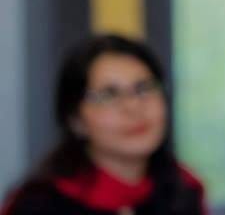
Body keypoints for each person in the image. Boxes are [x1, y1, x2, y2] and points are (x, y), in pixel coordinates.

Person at [1, 35, 207, 215]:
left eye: (144, 88)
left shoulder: (184, 190)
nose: (133, 107)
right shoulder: (37, 204)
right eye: (109, 95)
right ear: (76, 119)